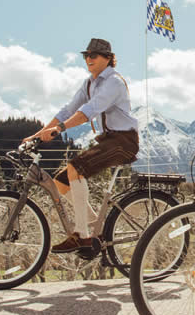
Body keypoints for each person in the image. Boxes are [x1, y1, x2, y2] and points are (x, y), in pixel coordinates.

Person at [24, 38, 139, 253]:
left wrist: (59, 129)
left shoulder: (113, 82)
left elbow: (89, 111)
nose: (88, 59)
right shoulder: (89, 83)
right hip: (108, 140)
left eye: (93, 55)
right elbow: (68, 110)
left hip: (124, 141)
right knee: (60, 182)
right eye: (85, 55)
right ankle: (96, 225)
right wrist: (38, 134)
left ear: (108, 58)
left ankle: (81, 236)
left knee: (76, 168)